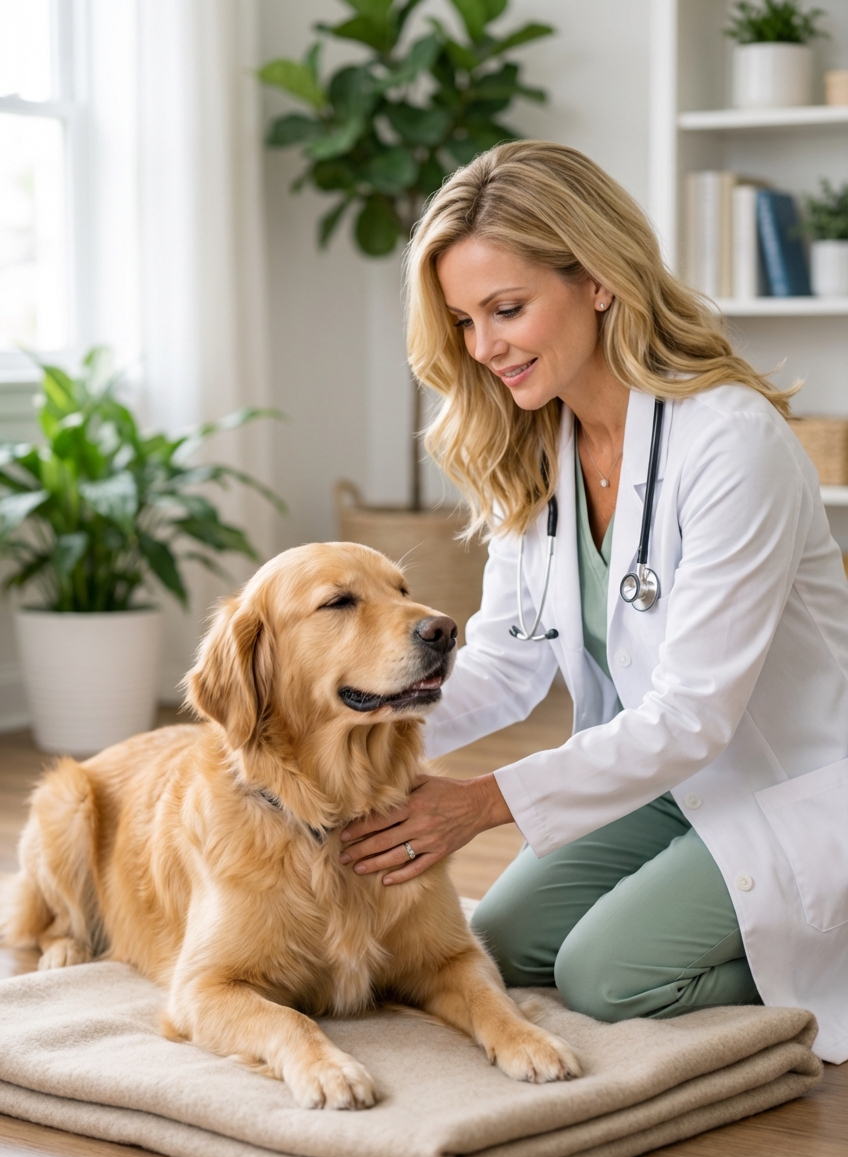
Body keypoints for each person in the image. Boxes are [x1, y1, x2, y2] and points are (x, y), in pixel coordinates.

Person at [338, 142, 848, 1063]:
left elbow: (694, 717)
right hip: (667, 785)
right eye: (462, 319)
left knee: (606, 976)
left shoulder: (730, 442)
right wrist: (351, 729)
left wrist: (484, 801)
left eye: (507, 310)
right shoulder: (534, 446)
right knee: (509, 941)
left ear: (600, 280)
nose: (483, 348)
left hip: (790, 783)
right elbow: (503, 664)